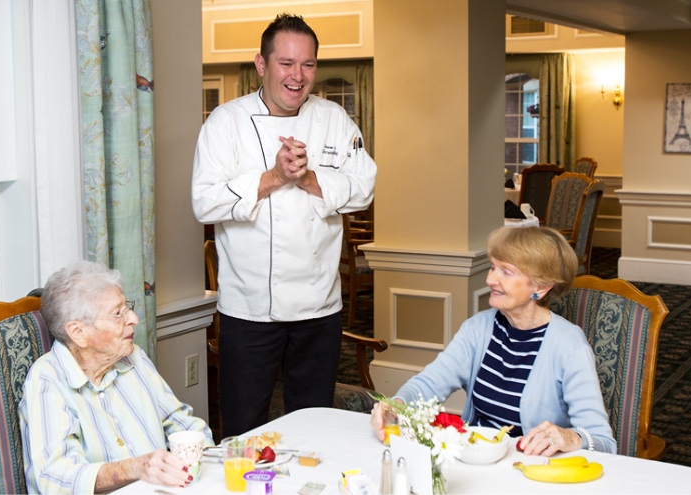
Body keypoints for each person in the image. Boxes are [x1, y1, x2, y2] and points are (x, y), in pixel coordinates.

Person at [192, 13, 376, 437]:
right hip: (250, 308)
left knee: (314, 425)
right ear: (261, 64)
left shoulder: (334, 119)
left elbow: (363, 188)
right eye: (286, 63)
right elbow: (204, 202)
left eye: (308, 64)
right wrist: (275, 177)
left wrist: (309, 178)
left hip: (319, 307)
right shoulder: (226, 122)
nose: (298, 76)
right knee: (244, 425)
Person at [370, 227, 617, 455]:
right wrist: (397, 406)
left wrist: (571, 438)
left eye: (506, 272)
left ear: (540, 287)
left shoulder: (568, 345)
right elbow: (429, 384)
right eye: (492, 267)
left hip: (534, 471)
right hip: (477, 460)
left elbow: (602, 441)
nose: (490, 280)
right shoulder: (478, 328)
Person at [19, 261, 213, 494]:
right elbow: (56, 476)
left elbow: (180, 420)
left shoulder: (133, 357)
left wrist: (211, 461)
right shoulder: (47, 379)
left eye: (127, 307)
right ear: (78, 332)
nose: (134, 318)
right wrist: (135, 468)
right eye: (118, 314)